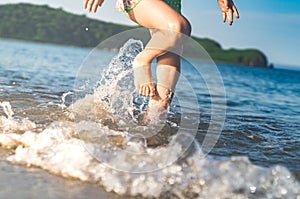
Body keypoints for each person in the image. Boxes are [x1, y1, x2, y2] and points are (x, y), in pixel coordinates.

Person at [83, 0, 239, 118]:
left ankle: (147, 141)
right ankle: (142, 60)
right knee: (178, 27)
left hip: (169, 6)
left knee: (163, 98)